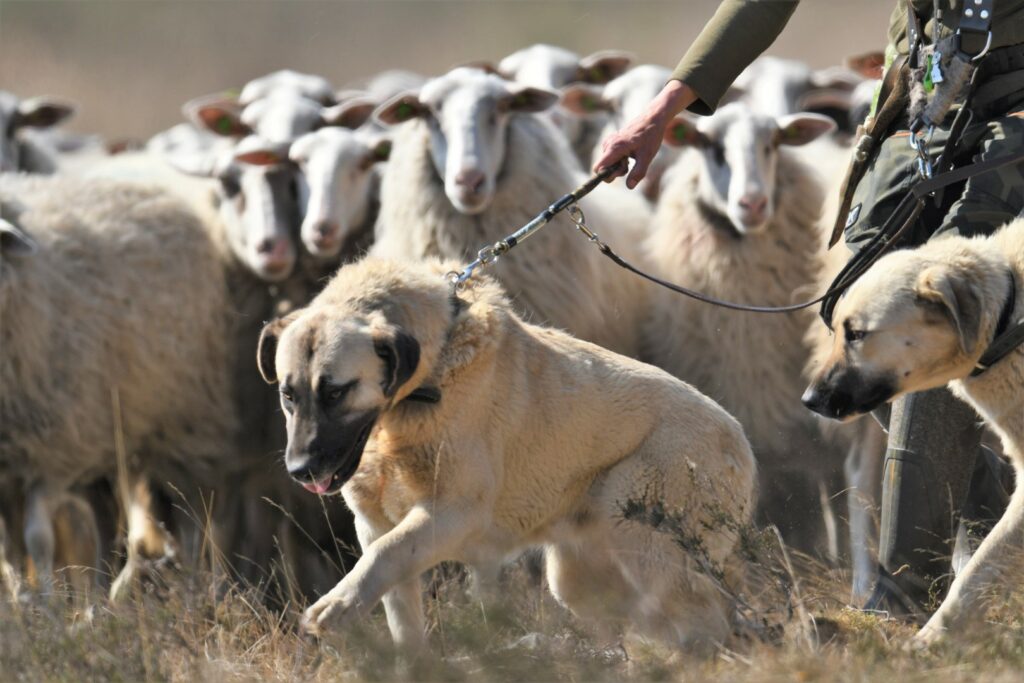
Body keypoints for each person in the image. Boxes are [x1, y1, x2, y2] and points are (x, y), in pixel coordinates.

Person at [596, 0, 1023, 619]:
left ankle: (902, 602)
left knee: (929, 320)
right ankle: (992, 526)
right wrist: (661, 111)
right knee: (857, 306)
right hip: (924, 96)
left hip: (1016, 105)